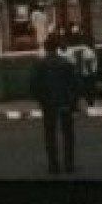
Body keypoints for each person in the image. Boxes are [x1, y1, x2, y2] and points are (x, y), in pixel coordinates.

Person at [30, 40, 80, 174]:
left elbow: (34, 86)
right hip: (65, 104)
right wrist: (73, 104)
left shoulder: (39, 65)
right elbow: (75, 85)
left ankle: (53, 165)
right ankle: (69, 164)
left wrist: (41, 102)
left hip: (49, 105)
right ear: (57, 48)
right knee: (68, 135)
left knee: (50, 136)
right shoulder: (67, 64)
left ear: (45, 48)